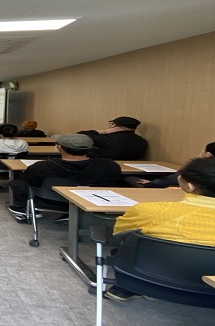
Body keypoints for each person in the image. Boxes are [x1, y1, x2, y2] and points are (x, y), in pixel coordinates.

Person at [106, 157, 215, 301]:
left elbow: (119, 233)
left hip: (150, 281)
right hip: (209, 294)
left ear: (190, 187)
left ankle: (125, 289)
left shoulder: (151, 211)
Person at [7, 133, 121, 221]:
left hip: (52, 201)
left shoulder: (43, 167)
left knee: (18, 182)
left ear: (59, 147)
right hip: (93, 201)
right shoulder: (109, 165)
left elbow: (31, 181)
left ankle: (24, 208)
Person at [125, 141, 215, 188]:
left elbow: (170, 180)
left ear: (208, 155)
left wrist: (151, 183)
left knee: (128, 177)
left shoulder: (197, 167)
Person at [79, 116, 147, 160]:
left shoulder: (105, 139)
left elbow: (78, 137)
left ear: (113, 124)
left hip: (103, 169)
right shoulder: (142, 141)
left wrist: (104, 131)